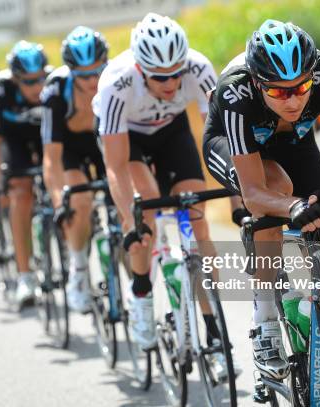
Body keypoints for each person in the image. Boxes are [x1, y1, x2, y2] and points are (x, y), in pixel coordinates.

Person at [202, 20, 320, 394]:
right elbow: (254, 193)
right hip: (234, 146)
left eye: (301, 88)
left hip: (296, 141)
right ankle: (264, 320)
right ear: (258, 82)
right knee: (276, 189)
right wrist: (293, 207)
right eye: (279, 91)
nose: (293, 100)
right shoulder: (235, 92)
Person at [92, 13, 235, 378]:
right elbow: (115, 166)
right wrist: (130, 219)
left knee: (197, 222)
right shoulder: (116, 82)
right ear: (141, 70)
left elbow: (223, 138)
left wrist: (238, 199)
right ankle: (140, 295)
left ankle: (216, 337)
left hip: (173, 132)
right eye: (160, 76)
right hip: (129, 139)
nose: (172, 83)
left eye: (176, 72)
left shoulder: (199, 69)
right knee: (147, 210)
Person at [41, 26, 108, 313]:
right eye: (84, 75)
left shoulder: (116, 80)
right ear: (71, 72)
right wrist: (59, 200)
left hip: (103, 142)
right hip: (69, 148)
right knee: (79, 201)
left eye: (98, 71)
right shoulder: (56, 90)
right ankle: (78, 269)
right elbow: (51, 158)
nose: (93, 80)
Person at [0, 41, 49, 309]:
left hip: (46, 139)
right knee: (20, 193)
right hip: (14, 142)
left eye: (40, 79)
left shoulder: (53, 85)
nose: (37, 87)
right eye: (29, 82)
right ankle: (25, 275)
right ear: (15, 78)